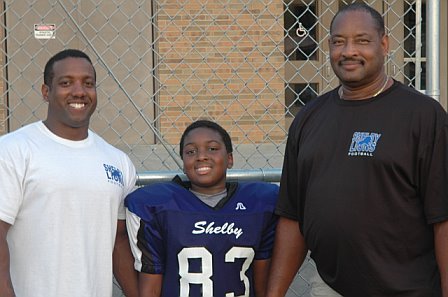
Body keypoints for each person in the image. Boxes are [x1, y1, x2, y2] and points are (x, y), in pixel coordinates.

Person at [266, 3, 448, 297]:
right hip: (329, 286)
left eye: (362, 40)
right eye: (339, 41)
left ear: (384, 44)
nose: (348, 51)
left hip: (408, 289)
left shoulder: (424, 116)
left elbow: (443, 219)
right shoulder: (309, 117)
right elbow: (292, 216)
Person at [0, 49, 138, 297]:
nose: (79, 92)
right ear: (46, 92)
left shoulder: (118, 162)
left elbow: (118, 241)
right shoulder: (13, 150)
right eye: (65, 83)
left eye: (88, 83)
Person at [125, 119, 278, 297]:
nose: (201, 156)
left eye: (212, 148)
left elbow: (263, 284)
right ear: (183, 162)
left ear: (229, 158)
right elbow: (150, 285)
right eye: (191, 151)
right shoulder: (157, 206)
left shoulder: (260, 203)